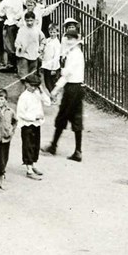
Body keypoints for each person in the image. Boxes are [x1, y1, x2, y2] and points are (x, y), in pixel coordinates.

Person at [47, 24, 85, 161]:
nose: (69, 40)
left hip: (73, 88)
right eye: (67, 38)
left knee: (66, 117)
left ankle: (68, 149)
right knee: (69, 117)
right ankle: (58, 146)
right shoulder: (72, 52)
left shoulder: (75, 55)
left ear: (77, 40)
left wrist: (56, 88)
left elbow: (67, 74)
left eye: (72, 38)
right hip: (75, 88)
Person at [14, 74, 51, 179]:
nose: (33, 88)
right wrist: (34, 117)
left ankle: (33, 164)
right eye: (31, 85)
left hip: (36, 124)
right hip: (27, 124)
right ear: (26, 84)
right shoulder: (23, 97)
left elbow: (48, 102)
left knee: (35, 145)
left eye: (35, 86)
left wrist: (42, 90)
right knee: (28, 145)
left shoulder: (37, 93)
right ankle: (28, 169)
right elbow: (21, 113)